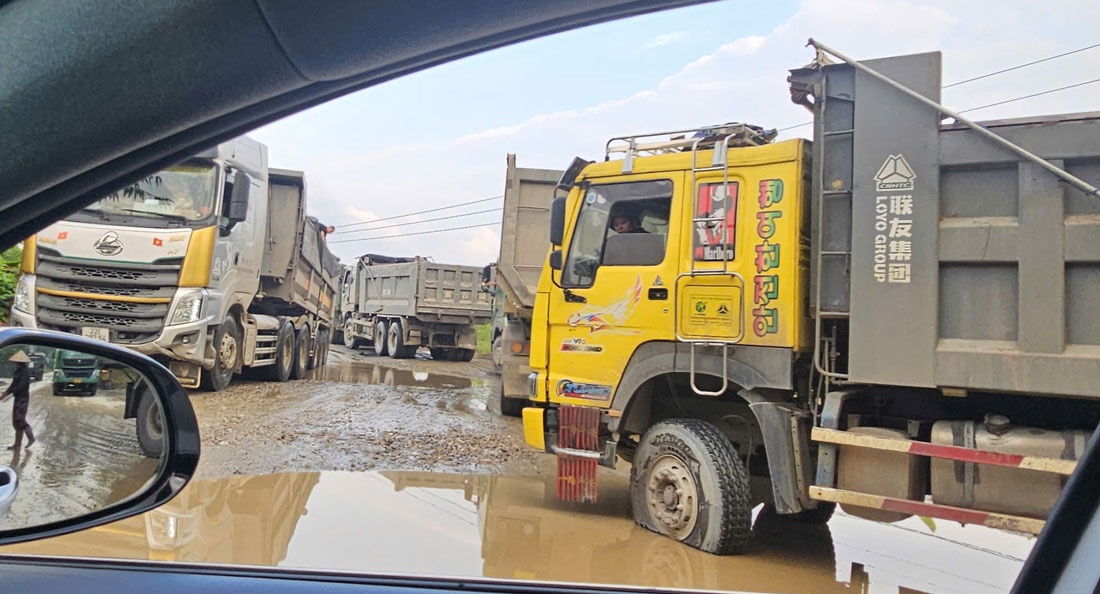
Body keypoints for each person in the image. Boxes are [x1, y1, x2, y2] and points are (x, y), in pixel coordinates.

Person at [0, 351, 35, 450]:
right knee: (16, 422)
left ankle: (30, 437)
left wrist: (8, 393)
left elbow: (20, 386)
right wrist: (6, 393)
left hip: (22, 399)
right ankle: (17, 444)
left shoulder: (25, 372)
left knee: (20, 420)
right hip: (18, 398)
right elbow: (13, 384)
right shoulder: (18, 371)